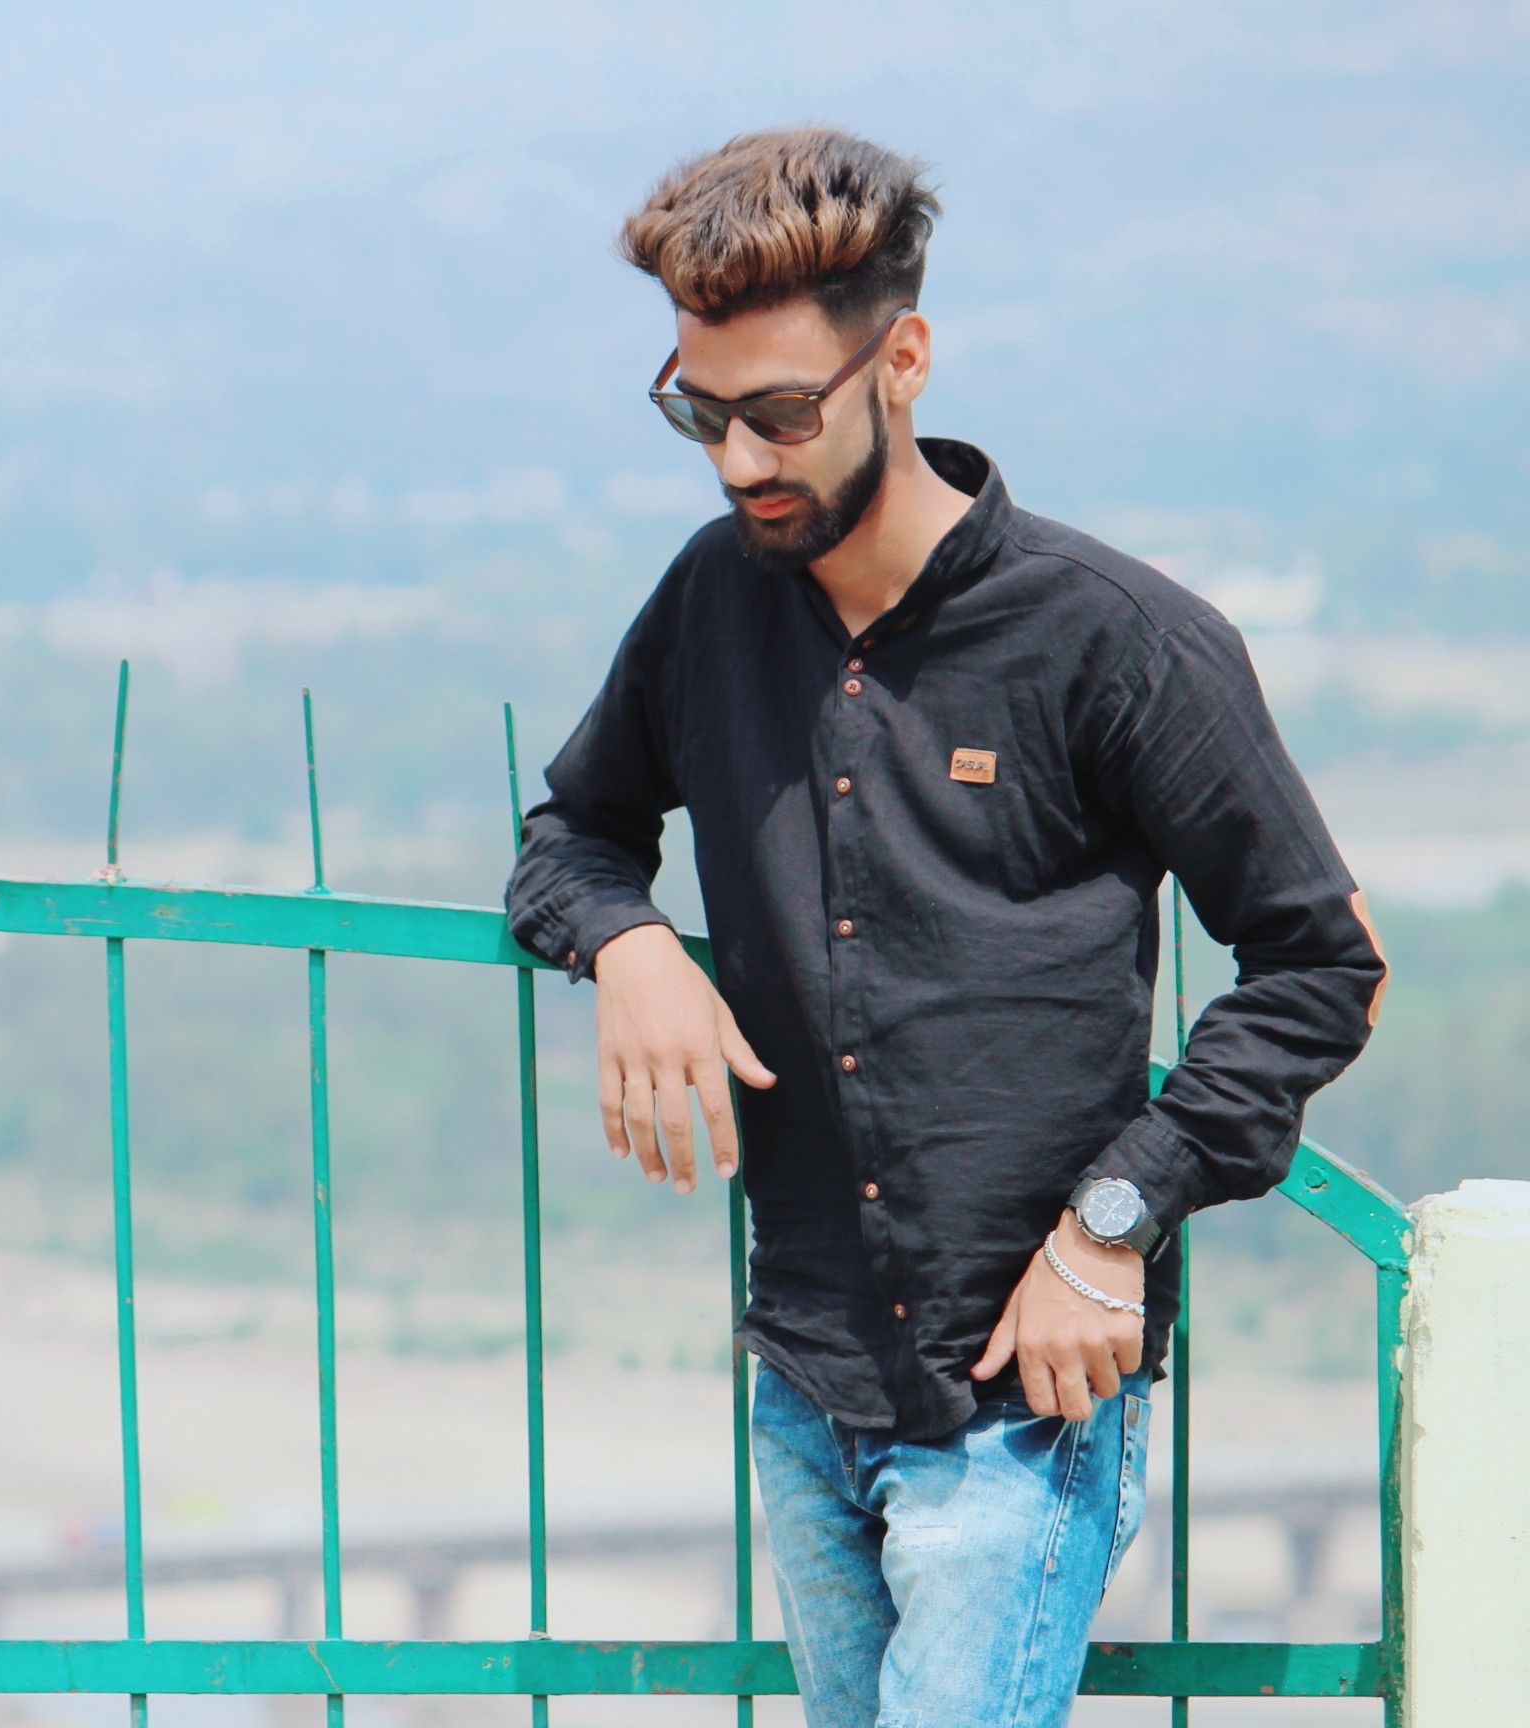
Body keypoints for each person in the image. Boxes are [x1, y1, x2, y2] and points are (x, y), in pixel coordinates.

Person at [503, 127, 1388, 1728]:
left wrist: (1113, 1228)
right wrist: (626, 944)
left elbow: (1324, 963)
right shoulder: (711, 601)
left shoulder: (1118, 641)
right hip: (804, 1376)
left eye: (782, 415)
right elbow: (572, 830)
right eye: (700, 415)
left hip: (1026, 1396)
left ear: (901, 362)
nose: (739, 464)